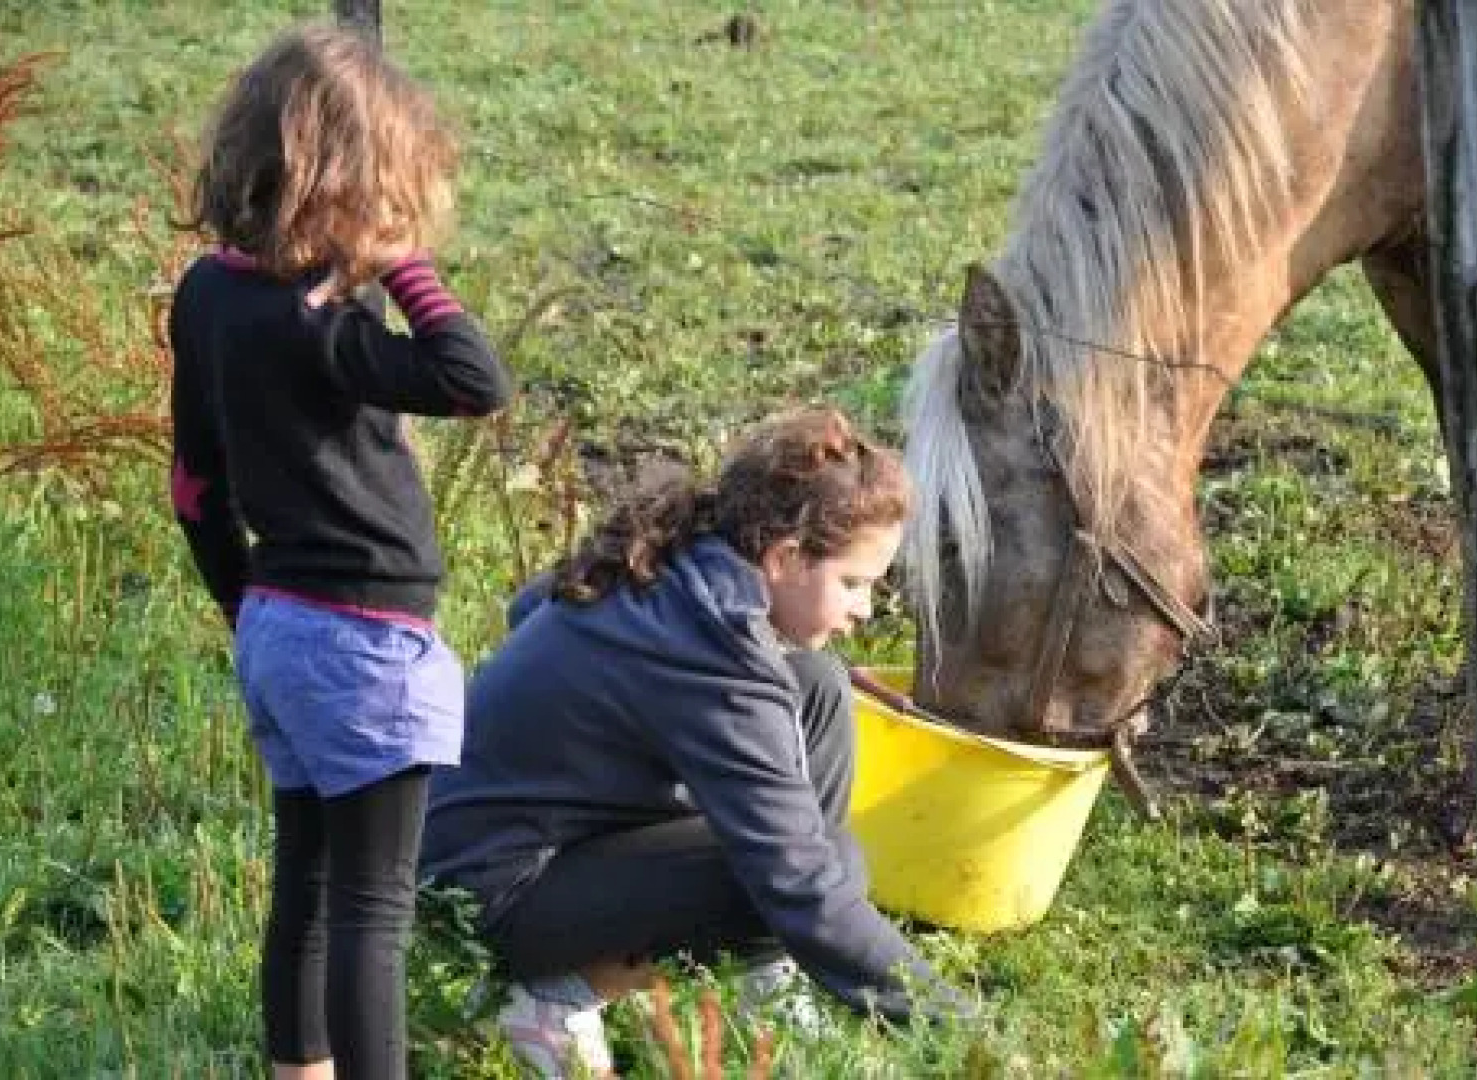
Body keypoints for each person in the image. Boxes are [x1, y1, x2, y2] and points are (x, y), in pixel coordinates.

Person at [421, 407, 972, 1078]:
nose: (864, 608)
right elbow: (800, 885)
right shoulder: (713, 652)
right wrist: (964, 1033)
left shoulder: (681, 554)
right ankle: (552, 996)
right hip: (488, 892)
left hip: (511, 838)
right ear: (784, 557)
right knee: (815, 870)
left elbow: (527, 608)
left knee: (818, 685)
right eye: (853, 583)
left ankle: (767, 972)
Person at [169, 24, 509, 1080]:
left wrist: (249, 606)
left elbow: (193, 487)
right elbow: (472, 381)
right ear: (351, 192)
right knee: (373, 908)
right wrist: (404, 266)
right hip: (367, 641)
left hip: (279, 628)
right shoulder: (320, 324)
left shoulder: (207, 294)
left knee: (305, 891)